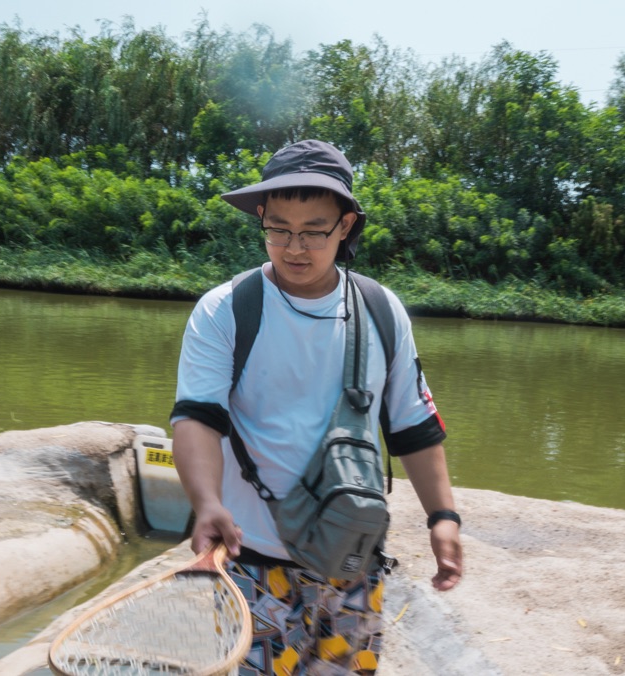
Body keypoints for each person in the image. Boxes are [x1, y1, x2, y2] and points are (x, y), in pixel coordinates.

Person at [170, 139, 462, 675]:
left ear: (346, 226)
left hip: (352, 561)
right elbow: (197, 418)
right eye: (278, 228)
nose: (294, 247)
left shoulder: (380, 310)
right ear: (260, 217)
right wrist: (206, 501)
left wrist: (442, 516)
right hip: (252, 564)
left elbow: (413, 425)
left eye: (314, 231)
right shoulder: (226, 310)